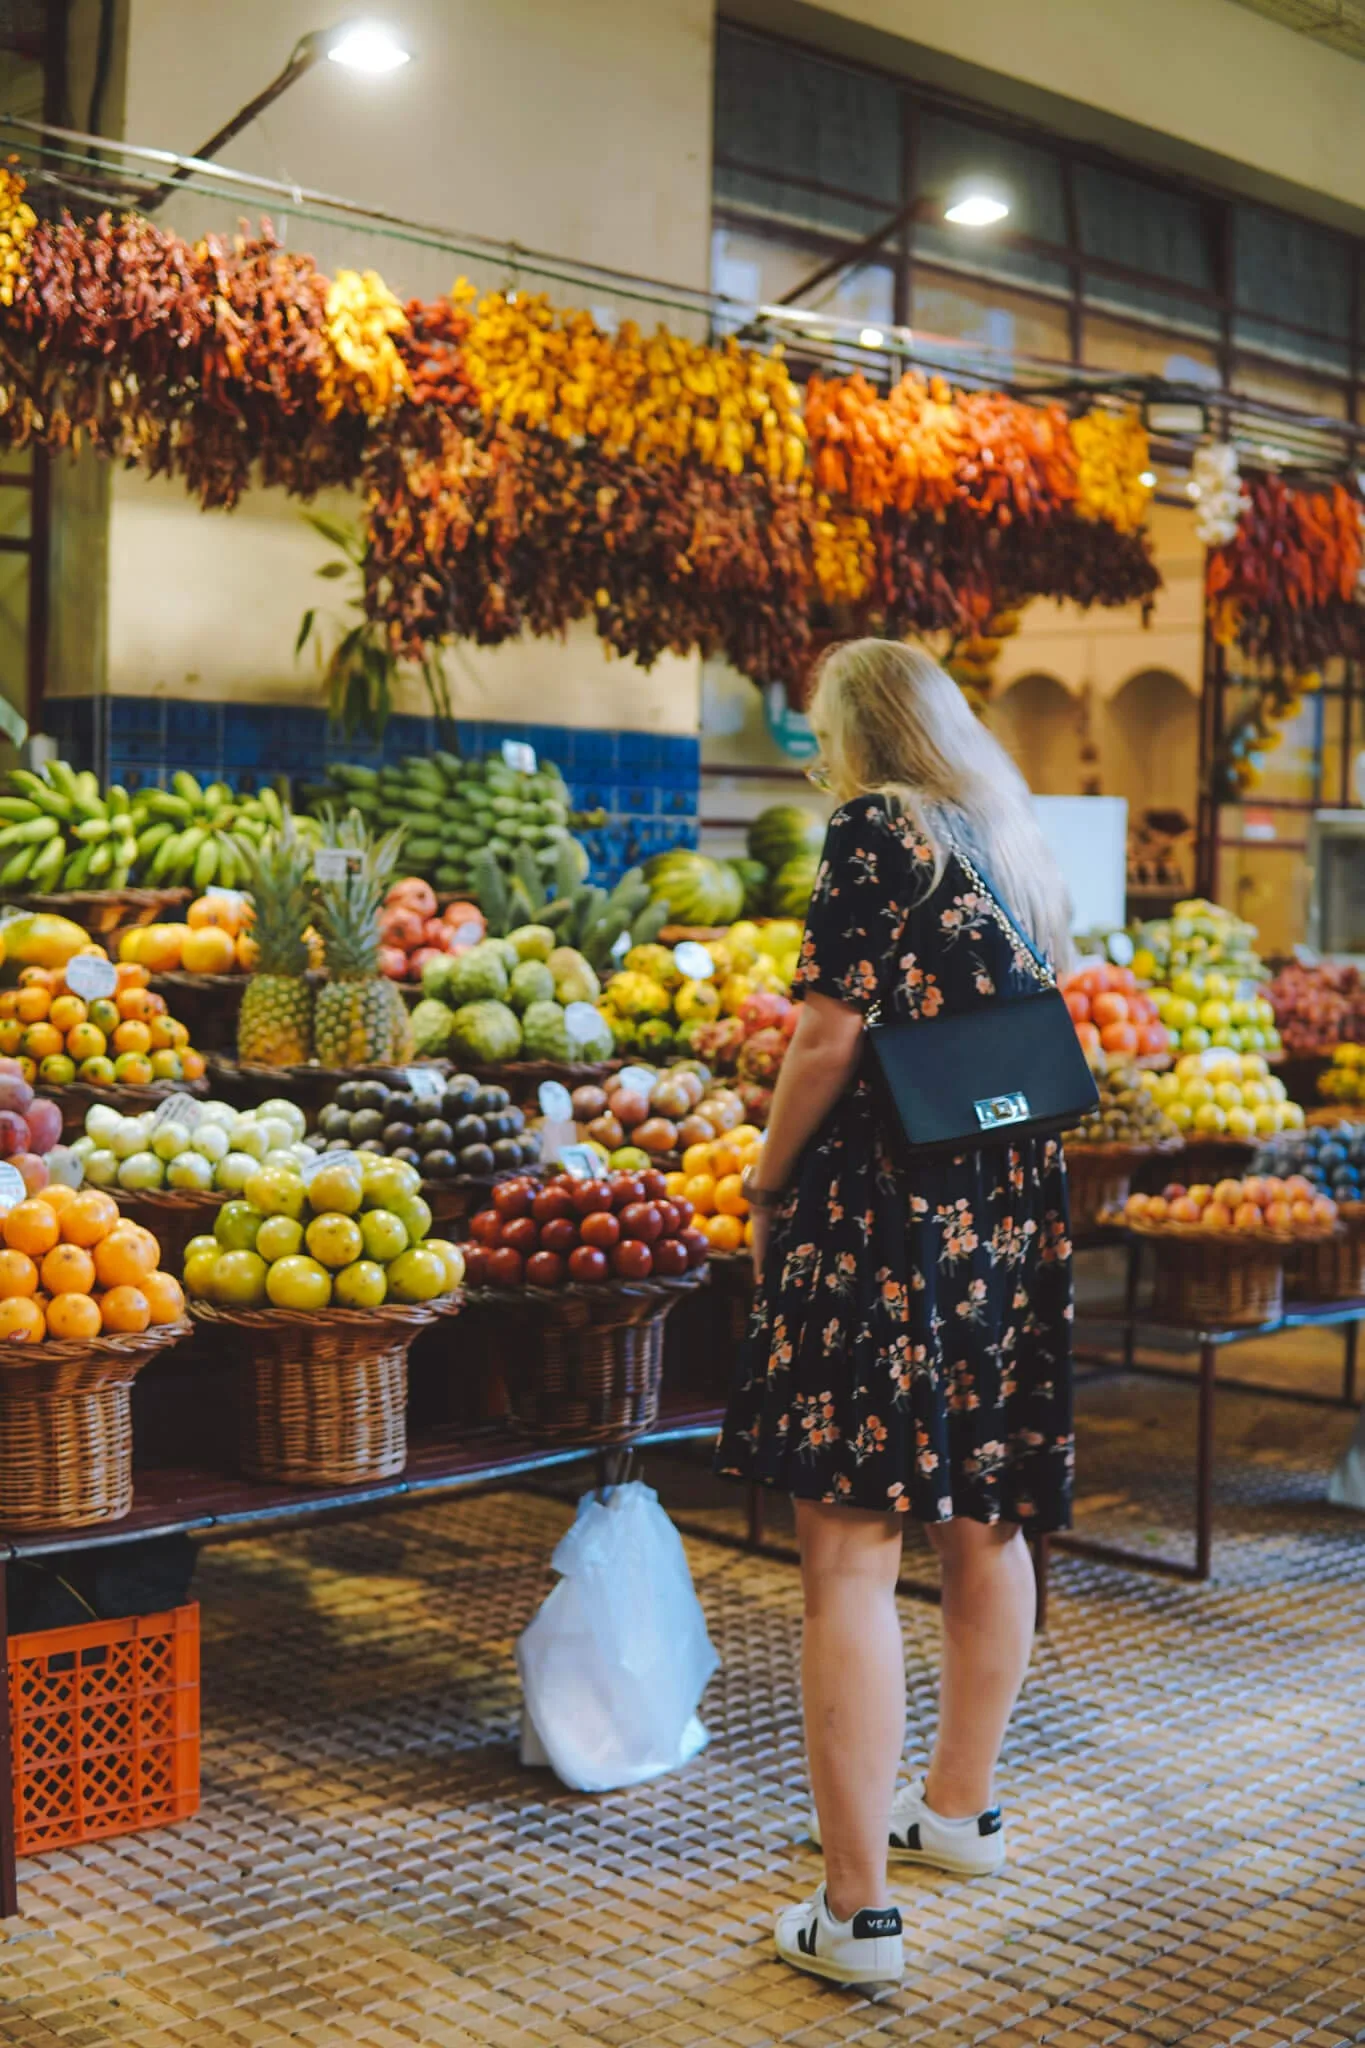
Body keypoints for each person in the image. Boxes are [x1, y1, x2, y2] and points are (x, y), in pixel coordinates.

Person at [715, 640, 1076, 1989]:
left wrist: (764, 1181)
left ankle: (858, 1914)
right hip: (1007, 1212)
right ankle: (960, 1810)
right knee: (986, 1511)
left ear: (851, 731)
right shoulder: (1006, 832)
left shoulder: (878, 826)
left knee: (852, 1557)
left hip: (890, 1216)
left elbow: (827, 1033)